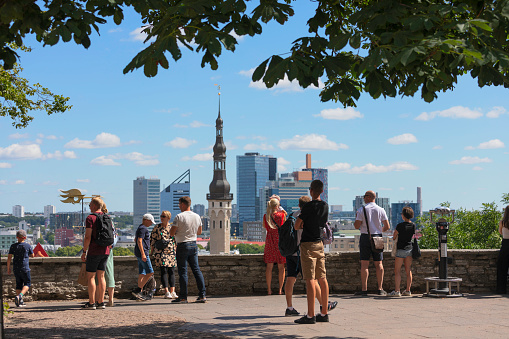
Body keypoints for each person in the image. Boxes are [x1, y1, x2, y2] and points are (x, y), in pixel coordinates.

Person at [284, 195, 338, 317]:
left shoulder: (292, 214)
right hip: (302, 251)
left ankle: (289, 307)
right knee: (312, 280)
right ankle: (324, 305)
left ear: (299, 205)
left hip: (291, 251)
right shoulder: (308, 215)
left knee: (290, 278)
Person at [294, 180, 330, 324]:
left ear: (311, 191)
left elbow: (297, 226)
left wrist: (303, 223)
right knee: (322, 277)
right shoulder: (325, 206)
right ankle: (324, 312)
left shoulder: (308, 206)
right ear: (322, 191)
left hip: (308, 244)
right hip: (319, 243)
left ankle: (310, 315)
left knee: (310, 279)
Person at [354, 190, 390, 296]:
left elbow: (356, 226)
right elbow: (387, 226)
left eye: (365, 196)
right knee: (379, 264)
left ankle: (364, 289)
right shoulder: (381, 209)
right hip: (377, 237)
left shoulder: (362, 210)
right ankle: (380, 289)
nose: (364, 198)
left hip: (365, 236)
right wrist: (378, 230)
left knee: (364, 264)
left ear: (369, 197)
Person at [170, 196, 206, 303]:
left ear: (183, 204)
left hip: (182, 244)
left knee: (183, 272)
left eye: (179, 204)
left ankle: (183, 297)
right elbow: (199, 232)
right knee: (196, 270)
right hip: (193, 244)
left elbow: (172, 233)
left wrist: (179, 232)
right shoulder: (197, 216)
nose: (179, 206)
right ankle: (202, 294)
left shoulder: (179, 217)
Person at [81, 197, 110, 310]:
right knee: (101, 276)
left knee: (91, 277)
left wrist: (84, 251)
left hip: (94, 250)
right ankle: (101, 302)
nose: (89, 207)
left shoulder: (90, 218)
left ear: (93, 206)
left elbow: (88, 236)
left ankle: (91, 302)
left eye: (90, 205)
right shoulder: (107, 217)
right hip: (105, 250)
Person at [388, 206, 415, 297]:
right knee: (408, 270)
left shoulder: (400, 225)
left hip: (400, 249)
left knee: (397, 271)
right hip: (409, 249)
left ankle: (397, 291)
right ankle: (408, 290)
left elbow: (394, 236)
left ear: (403, 215)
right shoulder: (413, 225)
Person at [150, 210, 178, 299]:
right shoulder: (157, 227)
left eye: (163, 216)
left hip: (171, 251)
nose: (161, 218)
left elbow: (175, 240)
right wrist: (151, 252)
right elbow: (152, 240)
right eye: (161, 216)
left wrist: (176, 251)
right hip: (160, 252)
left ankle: (172, 291)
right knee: (164, 271)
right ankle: (166, 291)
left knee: (172, 271)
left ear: (168, 218)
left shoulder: (172, 227)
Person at [263, 198, 287, 295]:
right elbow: (285, 222)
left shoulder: (266, 216)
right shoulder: (281, 215)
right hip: (279, 241)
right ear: (277, 206)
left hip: (270, 241)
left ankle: (269, 289)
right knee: (281, 267)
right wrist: (281, 209)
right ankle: (280, 289)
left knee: (269, 267)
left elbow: (265, 227)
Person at [95, 202, 116, 307]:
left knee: (99, 275)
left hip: (98, 249)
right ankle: (111, 299)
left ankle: (99, 299)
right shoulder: (109, 220)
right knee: (109, 273)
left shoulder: (96, 219)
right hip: (109, 248)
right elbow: (114, 235)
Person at [7, 230, 34, 307]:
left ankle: (19, 302)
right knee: (27, 283)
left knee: (18, 284)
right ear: (24, 237)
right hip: (25, 268)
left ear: (17, 237)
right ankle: (20, 296)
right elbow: (32, 255)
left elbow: (9, 258)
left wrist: (8, 268)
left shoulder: (13, 246)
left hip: (16, 268)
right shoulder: (27, 246)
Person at [132, 213, 155, 300]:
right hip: (143, 253)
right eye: (150, 222)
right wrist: (143, 253)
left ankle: (139, 292)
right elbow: (139, 241)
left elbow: (136, 240)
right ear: (146, 220)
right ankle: (138, 290)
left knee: (142, 272)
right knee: (150, 272)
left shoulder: (140, 228)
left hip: (139, 252)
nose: (151, 224)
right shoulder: (143, 229)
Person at [496, 205, 509, 294]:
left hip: (505, 244)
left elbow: (500, 232)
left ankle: (501, 289)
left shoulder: (502, 222)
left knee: (502, 268)